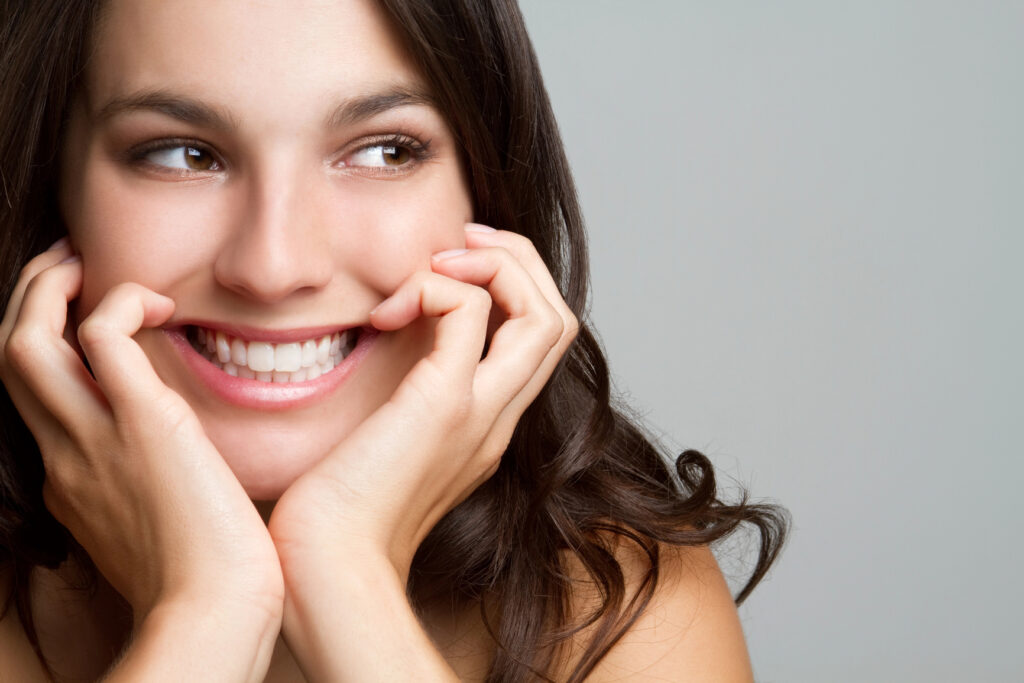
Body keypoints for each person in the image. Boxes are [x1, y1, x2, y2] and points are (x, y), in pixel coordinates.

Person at [0, 0, 788, 680]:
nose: (275, 267)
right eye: (181, 153)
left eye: (383, 151)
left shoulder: (616, 607)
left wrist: (344, 582)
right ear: (52, 188)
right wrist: (202, 613)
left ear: (486, 196)